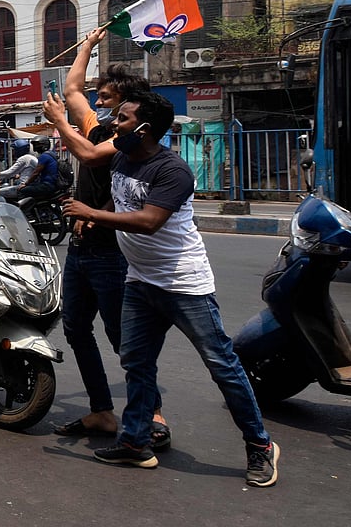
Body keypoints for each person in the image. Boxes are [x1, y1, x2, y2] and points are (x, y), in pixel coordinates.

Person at [63, 90, 279, 486]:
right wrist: (102, 217)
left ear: (144, 129)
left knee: (222, 366)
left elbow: (148, 220)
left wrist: (90, 212)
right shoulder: (124, 158)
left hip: (183, 284)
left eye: (123, 118)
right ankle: (134, 442)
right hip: (140, 280)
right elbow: (125, 203)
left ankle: (260, 445)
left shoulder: (173, 170)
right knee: (136, 363)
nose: (114, 122)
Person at [42, 27, 167, 444]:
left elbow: (92, 157)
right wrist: (89, 47)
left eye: (109, 99)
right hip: (80, 250)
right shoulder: (100, 125)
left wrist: (60, 122)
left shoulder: (125, 140)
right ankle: (101, 411)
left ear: (131, 109)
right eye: (101, 98)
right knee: (76, 328)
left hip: (112, 252)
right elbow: (73, 87)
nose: (99, 104)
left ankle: (154, 416)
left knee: (123, 338)